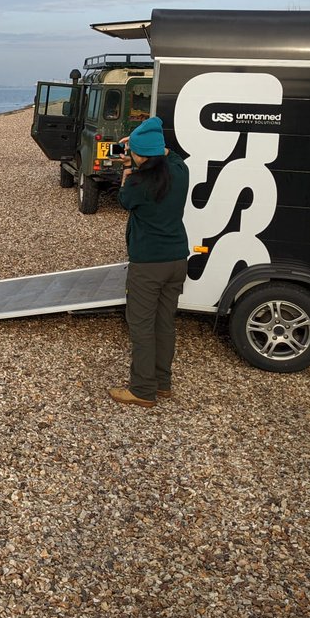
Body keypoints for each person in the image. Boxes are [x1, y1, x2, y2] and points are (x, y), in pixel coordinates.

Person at [109, 116, 190, 408]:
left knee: (141, 326)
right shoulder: (180, 172)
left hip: (148, 265)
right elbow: (172, 154)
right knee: (164, 322)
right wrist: (148, 145)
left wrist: (128, 168)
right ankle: (162, 383)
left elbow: (123, 200)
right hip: (177, 260)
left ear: (142, 156)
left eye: (132, 151)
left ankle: (142, 390)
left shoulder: (138, 185)